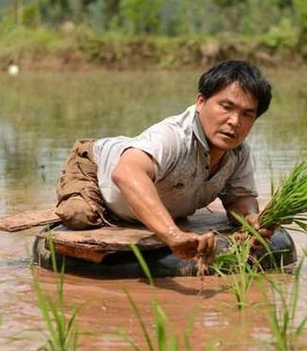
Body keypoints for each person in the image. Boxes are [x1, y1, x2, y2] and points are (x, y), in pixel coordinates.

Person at [55, 60, 273, 261]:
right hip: (94, 166)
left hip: (144, 167)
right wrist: (172, 234)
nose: (235, 121)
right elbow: (126, 173)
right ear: (200, 101)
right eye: (226, 107)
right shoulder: (173, 136)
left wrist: (251, 220)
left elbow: (239, 198)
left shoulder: (238, 152)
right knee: (79, 215)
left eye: (247, 114)